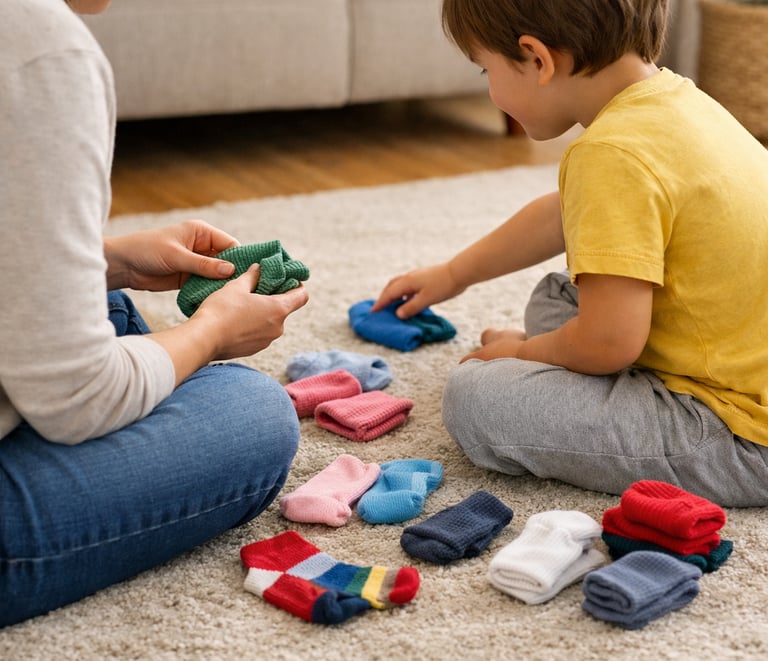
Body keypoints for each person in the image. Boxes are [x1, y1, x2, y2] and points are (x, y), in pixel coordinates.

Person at [373, 0, 768, 508]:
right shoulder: (680, 102)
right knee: (561, 291)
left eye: (485, 68)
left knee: (475, 398)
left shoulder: (611, 154)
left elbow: (608, 343)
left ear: (537, 59)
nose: (489, 87)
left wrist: (521, 353)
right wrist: (454, 274)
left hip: (740, 434)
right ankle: (572, 363)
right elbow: (564, 215)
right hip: (737, 357)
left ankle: (558, 369)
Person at [0, 0, 308, 627]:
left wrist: (108, 260)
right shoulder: (39, 45)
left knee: (106, 301)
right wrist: (211, 332)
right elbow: (81, 395)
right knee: (252, 413)